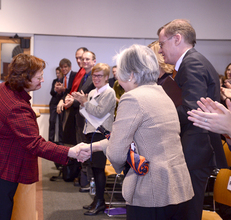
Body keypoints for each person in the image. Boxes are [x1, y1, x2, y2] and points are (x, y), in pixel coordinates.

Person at [0, 53, 90, 220]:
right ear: (24, 78)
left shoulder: (3, 88)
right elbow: (35, 144)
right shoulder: (16, 107)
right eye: (39, 77)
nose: (43, 80)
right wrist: (71, 152)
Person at [78, 44, 194, 220]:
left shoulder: (132, 98)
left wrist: (119, 167)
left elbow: (117, 153)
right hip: (178, 187)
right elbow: (148, 138)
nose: (118, 80)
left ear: (131, 74)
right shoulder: (163, 94)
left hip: (151, 191)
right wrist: (95, 147)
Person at [158, 19, 227, 220]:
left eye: (162, 44)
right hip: (194, 148)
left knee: (189, 211)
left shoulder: (192, 62)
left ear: (177, 39)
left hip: (196, 149)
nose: (160, 50)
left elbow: (192, 109)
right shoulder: (190, 62)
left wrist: (160, 117)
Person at [72, 63, 116, 215]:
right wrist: (83, 102)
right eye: (94, 75)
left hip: (101, 134)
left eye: (99, 76)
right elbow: (84, 112)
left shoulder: (109, 92)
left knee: (98, 170)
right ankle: (97, 199)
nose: (96, 78)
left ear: (106, 77)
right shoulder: (92, 92)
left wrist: (84, 102)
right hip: (90, 132)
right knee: (93, 168)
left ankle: (100, 202)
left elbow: (98, 112)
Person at [64, 50, 96, 192]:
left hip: (90, 118)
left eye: (88, 59)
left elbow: (93, 99)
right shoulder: (82, 75)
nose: (85, 62)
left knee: (88, 148)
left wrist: (77, 99)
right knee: (81, 146)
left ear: (94, 61)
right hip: (80, 117)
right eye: (83, 59)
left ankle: (89, 181)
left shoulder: (95, 77)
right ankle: (84, 179)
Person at [48, 67, 63, 144]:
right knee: (52, 121)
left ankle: (61, 141)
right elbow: (52, 93)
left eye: (59, 73)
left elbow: (66, 93)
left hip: (62, 104)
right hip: (53, 103)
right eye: (56, 73)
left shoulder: (65, 81)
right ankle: (51, 141)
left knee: (61, 123)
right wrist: (55, 89)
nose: (57, 74)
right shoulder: (55, 81)